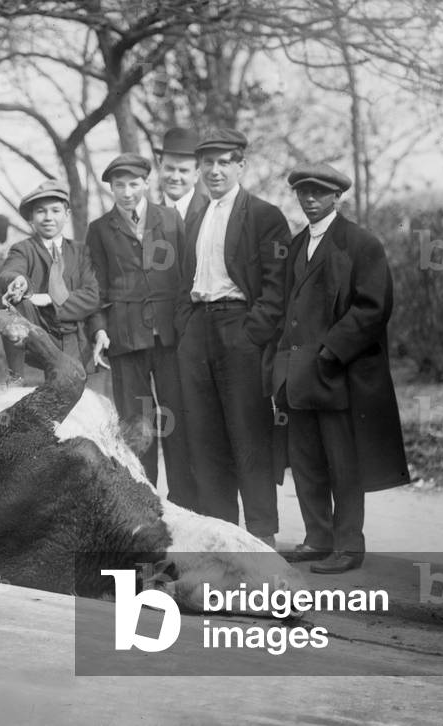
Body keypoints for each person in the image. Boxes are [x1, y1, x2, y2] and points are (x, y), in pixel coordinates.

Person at [274, 163, 409, 573]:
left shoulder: (361, 243)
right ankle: (319, 538)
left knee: (343, 464)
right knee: (306, 462)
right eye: (303, 192)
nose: (310, 199)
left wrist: (331, 352)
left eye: (319, 192)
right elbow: (288, 312)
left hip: (337, 375)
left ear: (337, 196)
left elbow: (373, 307)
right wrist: (280, 365)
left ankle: (349, 545)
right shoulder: (298, 246)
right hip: (298, 375)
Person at [175, 128, 289, 544]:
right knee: (205, 440)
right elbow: (185, 279)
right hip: (198, 331)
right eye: (208, 163)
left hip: (238, 327)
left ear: (241, 166)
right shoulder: (197, 217)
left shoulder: (264, 215)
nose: (215, 170)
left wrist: (251, 334)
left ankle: (261, 539)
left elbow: (279, 286)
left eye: (225, 162)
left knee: (249, 436)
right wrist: (186, 328)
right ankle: (222, 538)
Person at [86, 153, 199, 506]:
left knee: (175, 419)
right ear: (111, 189)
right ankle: (145, 500)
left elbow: (185, 275)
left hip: (170, 336)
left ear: (146, 183)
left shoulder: (170, 219)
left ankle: (183, 501)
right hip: (125, 337)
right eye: (119, 185)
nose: (126, 192)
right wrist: (100, 331)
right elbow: (96, 287)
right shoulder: (100, 229)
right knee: (137, 424)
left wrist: (187, 327)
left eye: (133, 184)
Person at [0, 179, 100, 382]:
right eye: (40, 212)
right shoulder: (23, 250)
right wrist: (18, 281)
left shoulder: (81, 252)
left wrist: (48, 300)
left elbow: (92, 296)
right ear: (31, 219)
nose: (48, 218)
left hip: (76, 344)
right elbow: (10, 272)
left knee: (79, 407)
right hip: (38, 345)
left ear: (67, 214)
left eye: (55, 211)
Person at [154, 127, 207, 225]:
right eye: (169, 168)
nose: (175, 177)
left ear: (196, 175)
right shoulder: (148, 217)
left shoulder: (211, 212)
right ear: (160, 168)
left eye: (183, 171)